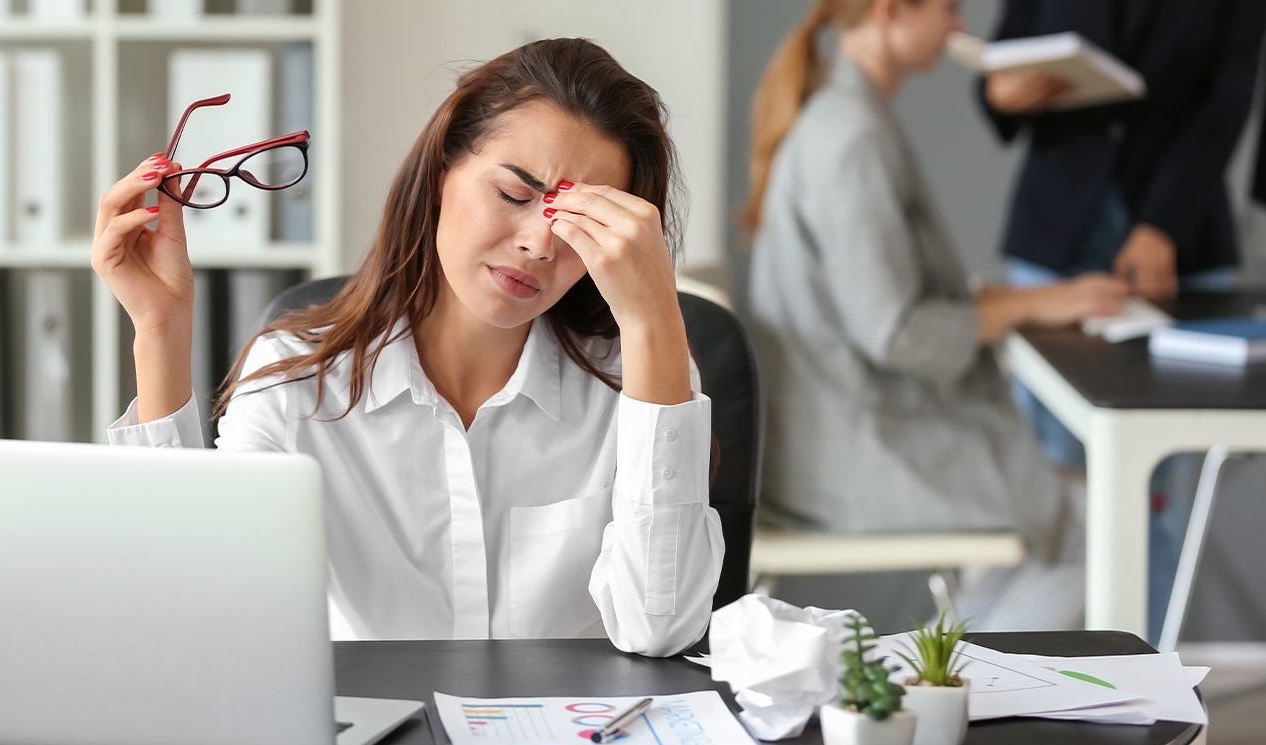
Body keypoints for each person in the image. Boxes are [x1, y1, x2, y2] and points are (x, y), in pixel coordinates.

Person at [90, 39, 724, 657]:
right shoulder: (296, 388)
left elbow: (659, 629)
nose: (540, 244)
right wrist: (161, 332)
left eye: (582, 222)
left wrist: (652, 320)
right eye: (513, 195)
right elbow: (192, 616)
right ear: (442, 171)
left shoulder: (635, 380)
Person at [741, 0, 1128, 628]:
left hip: (842, 433)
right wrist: (1033, 303)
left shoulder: (851, 116)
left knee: (1064, 510)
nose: (958, 28)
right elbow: (895, 330)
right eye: (949, 9)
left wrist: (1024, 303)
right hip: (849, 456)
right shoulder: (852, 136)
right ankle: (954, 689)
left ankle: (943, 681)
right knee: (1099, 520)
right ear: (893, 11)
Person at [980, 0, 1266, 640]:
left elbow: (1226, 105)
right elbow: (997, 67)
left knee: (1152, 489)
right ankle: (1033, 679)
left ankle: (1145, 687)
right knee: (1049, 483)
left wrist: (1163, 223)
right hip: (1055, 235)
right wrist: (1004, 94)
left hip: (1177, 240)